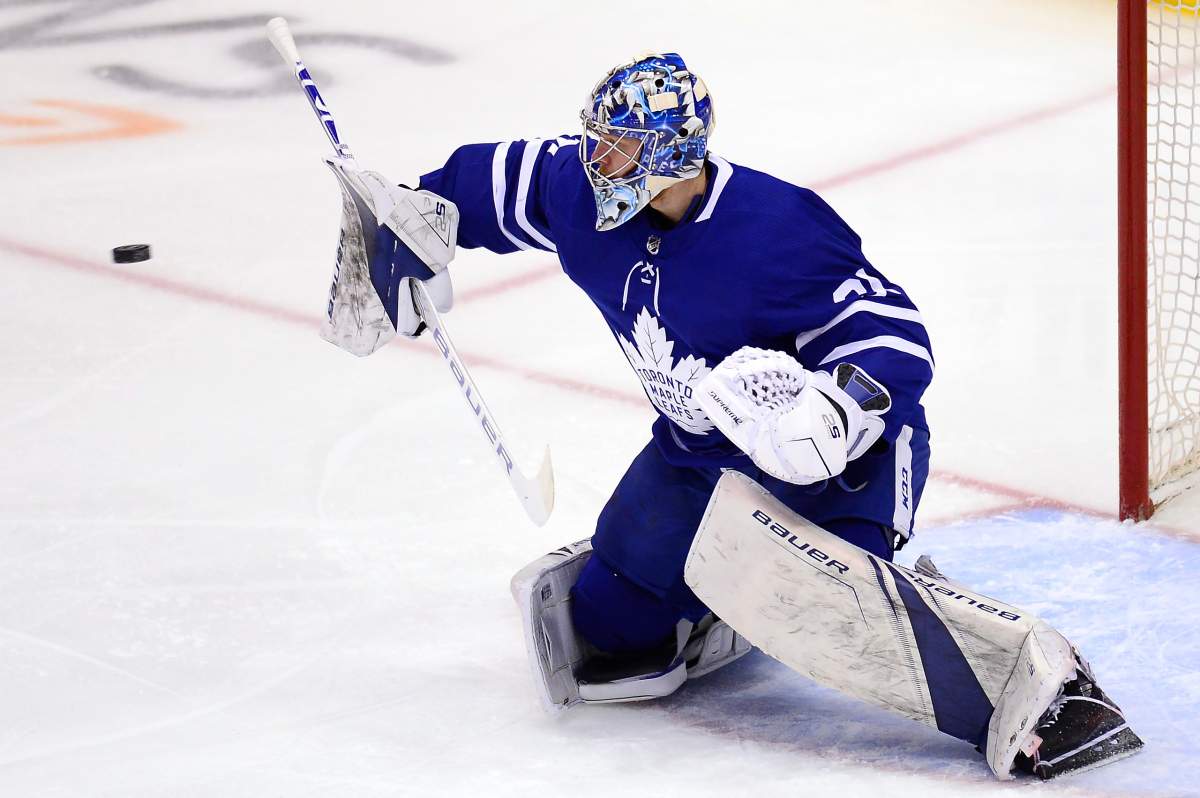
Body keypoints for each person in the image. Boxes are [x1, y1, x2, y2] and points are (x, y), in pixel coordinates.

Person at [349, 52, 1139, 780]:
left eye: (619, 148)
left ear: (672, 157)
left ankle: (1044, 692)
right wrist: (419, 221)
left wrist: (836, 413)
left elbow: (892, 333)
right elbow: (495, 183)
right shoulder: (580, 192)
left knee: (837, 614)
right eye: (597, 141)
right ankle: (715, 603)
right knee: (609, 635)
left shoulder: (775, 227)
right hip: (698, 456)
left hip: (840, 467)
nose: (596, 161)